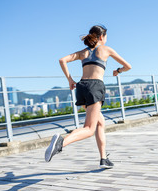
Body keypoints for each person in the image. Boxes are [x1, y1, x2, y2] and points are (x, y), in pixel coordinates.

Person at [45, 25, 132, 169]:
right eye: (105, 36)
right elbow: (128, 66)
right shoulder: (106, 49)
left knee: (100, 122)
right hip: (95, 87)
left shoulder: (83, 52)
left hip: (81, 87)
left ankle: (103, 158)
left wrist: (70, 80)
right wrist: (118, 70)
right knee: (89, 128)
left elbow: (62, 60)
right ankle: (60, 143)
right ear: (101, 37)